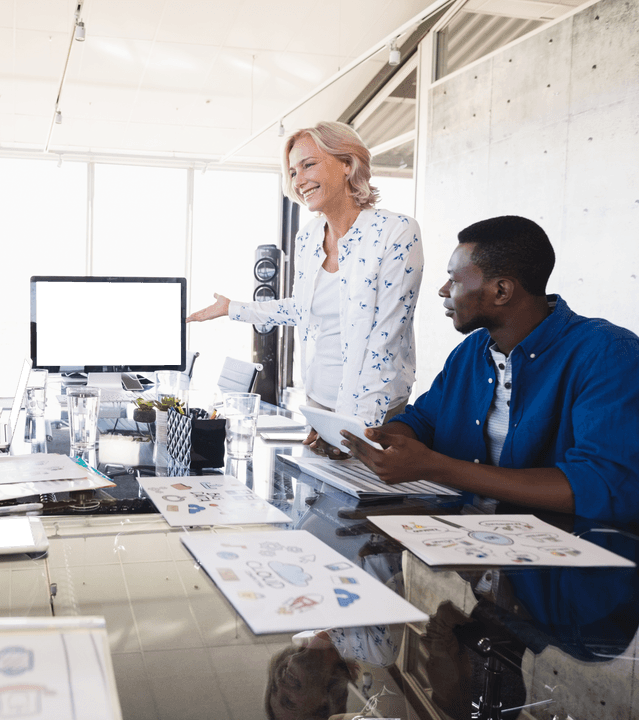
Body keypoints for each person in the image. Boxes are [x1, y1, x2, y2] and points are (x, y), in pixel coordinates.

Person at [341, 216, 639, 526]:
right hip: (460, 534)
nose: (444, 290)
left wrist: (437, 467)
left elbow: (604, 485)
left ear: (501, 291)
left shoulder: (609, 353)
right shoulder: (471, 351)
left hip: (553, 558)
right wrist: (359, 440)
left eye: (454, 280)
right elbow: (423, 423)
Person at [188, 121, 423, 452]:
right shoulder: (309, 237)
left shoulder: (395, 231)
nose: (299, 180)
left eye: (308, 165)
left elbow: (384, 341)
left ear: (347, 163)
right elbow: (301, 308)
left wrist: (352, 430)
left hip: (373, 413)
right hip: (318, 406)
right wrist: (233, 309)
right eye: (293, 172)